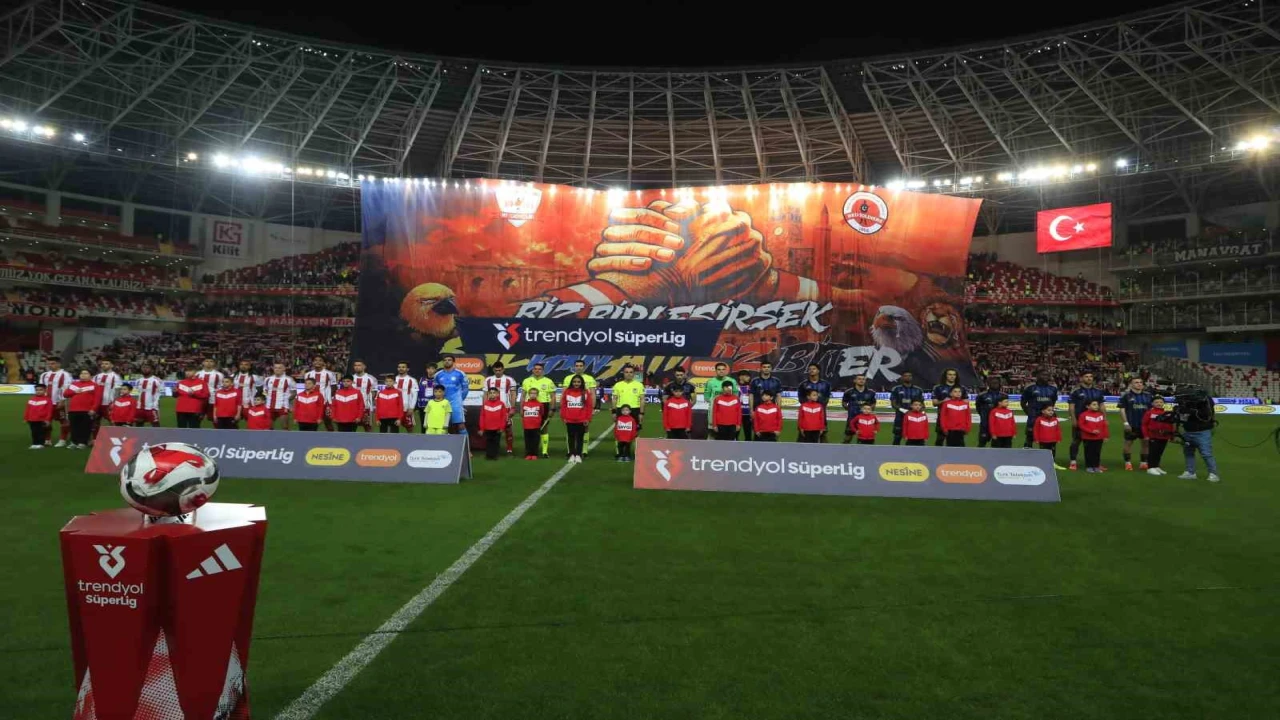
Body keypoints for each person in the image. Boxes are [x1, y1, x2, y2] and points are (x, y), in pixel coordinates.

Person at [1175, 392, 1219, 482]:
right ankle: (1190, 472)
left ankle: (1213, 474)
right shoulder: (1183, 405)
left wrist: (1191, 411)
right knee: (1188, 453)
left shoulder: (1205, 402)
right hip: (1188, 431)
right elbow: (1180, 418)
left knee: (1206, 454)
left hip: (1202, 432)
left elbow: (1205, 415)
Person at [1067, 370, 1106, 470]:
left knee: (1095, 443)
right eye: (1086, 376)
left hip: (1095, 421)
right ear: (1081, 378)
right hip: (1080, 420)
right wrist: (1073, 419)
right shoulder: (1076, 391)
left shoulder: (1098, 391)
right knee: (1076, 441)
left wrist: (1104, 418)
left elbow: (1102, 405)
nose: (1089, 378)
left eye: (1091, 376)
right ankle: (1073, 461)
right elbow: (1071, 406)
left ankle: (1096, 463)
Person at [521, 363, 558, 458]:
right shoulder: (527, 381)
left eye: (539, 369)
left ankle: (544, 451)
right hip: (529, 406)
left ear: (543, 371)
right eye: (535, 369)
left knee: (544, 428)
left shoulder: (548, 381)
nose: (537, 370)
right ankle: (530, 451)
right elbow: (523, 395)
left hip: (543, 405)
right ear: (533, 370)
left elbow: (553, 396)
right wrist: (521, 408)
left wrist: (552, 408)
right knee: (529, 429)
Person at [1117, 377, 1153, 471]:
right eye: (1136, 382)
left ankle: (1143, 463)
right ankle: (1128, 463)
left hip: (1145, 425)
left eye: (1141, 382)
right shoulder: (1126, 396)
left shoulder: (1148, 395)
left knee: (1146, 443)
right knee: (1128, 443)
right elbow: (1122, 410)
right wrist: (1125, 423)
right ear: (1131, 384)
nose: (1139, 384)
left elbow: (1151, 410)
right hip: (1132, 424)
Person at [484, 362, 518, 454]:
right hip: (492, 408)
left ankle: (509, 448)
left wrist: (513, 407)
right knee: (492, 428)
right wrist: (484, 407)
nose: (498, 372)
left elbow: (513, 394)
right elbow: (485, 394)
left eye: (499, 370)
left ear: (503, 369)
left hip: (505, 408)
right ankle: (494, 448)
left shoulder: (509, 380)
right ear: (493, 370)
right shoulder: (488, 380)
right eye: (496, 370)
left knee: (508, 428)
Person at [1020, 370, 1060, 449]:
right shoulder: (1030, 388)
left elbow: (1053, 402)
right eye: (1043, 375)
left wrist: (1050, 412)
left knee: (1049, 440)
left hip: (1048, 419)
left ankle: (1049, 456)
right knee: (1029, 438)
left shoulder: (1053, 389)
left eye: (1047, 375)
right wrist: (1029, 413)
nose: (1046, 377)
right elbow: (1023, 403)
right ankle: (1027, 456)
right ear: (1037, 376)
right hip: (1033, 418)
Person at [38, 356, 73, 447]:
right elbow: (40, 388)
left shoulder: (65, 375)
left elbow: (66, 388)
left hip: (59, 402)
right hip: (46, 403)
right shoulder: (44, 375)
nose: (50, 365)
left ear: (59, 364)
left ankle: (62, 439)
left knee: (64, 421)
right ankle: (47, 439)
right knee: (45, 421)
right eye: (49, 364)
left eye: (53, 363)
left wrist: (62, 400)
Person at [611, 365, 646, 450]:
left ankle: (636, 452)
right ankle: (619, 452)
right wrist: (614, 412)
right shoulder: (618, 385)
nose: (629, 374)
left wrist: (641, 413)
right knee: (620, 431)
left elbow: (642, 400)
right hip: (621, 410)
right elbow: (614, 399)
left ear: (634, 374)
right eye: (626, 372)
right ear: (623, 373)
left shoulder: (639, 385)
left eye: (631, 372)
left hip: (635, 410)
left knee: (636, 431)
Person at [435, 355, 470, 438]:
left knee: (461, 425)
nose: (447, 361)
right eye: (445, 360)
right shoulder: (438, 375)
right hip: (442, 403)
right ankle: (443, 445)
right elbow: (436, 390)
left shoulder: (460, 374)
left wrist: (460, 401)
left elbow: (465, 389)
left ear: (453, 362)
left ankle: (466, 446)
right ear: (443, 362)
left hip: (456, 404)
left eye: (449, 360)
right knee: (441, 425)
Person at [561, 374, 593, 463]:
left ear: (581, 383)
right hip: (569, 419)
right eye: (574, 382)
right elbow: (563, 405)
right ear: (572, 382)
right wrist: (563, 417)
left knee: (580, 438)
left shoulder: (585, 392)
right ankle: (572, 454)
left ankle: (578, 454)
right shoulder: (567, 392)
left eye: (578, 382)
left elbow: (589, 406)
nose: (576, 383)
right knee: (571, 437)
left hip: (581, 420)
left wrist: (588, 418)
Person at [797, 364, 833, 442]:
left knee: (823, 435)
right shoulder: (803, 385)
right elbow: (801, 399)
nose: (811, 370)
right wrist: (810, 403)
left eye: (814, 369)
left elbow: (826, 399)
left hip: (820, 413)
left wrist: (816, 403)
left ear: (818, 371)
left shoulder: (826, 384)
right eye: (810, 369)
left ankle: (826, 449)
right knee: (802, 437)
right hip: (807, 415)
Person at [889, 372, 925, 446]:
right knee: (897, 437)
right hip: (900, 417)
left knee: (915, 437)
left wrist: (921, 412)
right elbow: (893, 404)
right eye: (905, 376)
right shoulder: (896, 389)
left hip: (914, 418)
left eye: (909, 376)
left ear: (912, 377)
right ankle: (894, 452)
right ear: (902, 377)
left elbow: (922, 404)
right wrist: (903, 410)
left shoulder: (918, 390)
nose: (908, 377)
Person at [930, 368, 964, 447]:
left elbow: (966, 402)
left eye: (954, 375)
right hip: (942, 418)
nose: (952, 376)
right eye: (950, 374)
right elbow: (934, 403)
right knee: (940, 440)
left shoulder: (962, 388)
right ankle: (938, 454)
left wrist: (956, 401)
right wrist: (944, 401)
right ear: (945, 376)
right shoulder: (938, 388)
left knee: (958, 441)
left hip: (957, 419)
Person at [1142, 397, 1175, 476]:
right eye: (1156, 402)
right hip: (1153, 436)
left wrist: (1171, 435)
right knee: (1153, 452)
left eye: (1160, 402)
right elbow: (1144, 425)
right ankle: (1150, 468)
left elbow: (1170, 425)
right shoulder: (1149, 413)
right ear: (1152, 404)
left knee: (1159, 452)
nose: (1159, 404)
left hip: (1164, 436)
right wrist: (1146, 435)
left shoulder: (1167, 413)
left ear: (1163, 403)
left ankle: (1156, 466)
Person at [65, 370, 98, 448]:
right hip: (73, 410)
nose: (83, 375)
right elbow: (65, 394)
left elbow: (97, 399)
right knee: (74, 427)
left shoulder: (94, 385)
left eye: (86, 373)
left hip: (87, 410)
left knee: (85, 427)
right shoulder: (74, 384)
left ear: (91, 376)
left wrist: (93, 409)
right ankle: (74, 442)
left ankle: (83, 442)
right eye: (81, 373)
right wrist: (75, 392)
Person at [91, 359, 122, 441]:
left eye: (106, 363)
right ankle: (95, 440)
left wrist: (114, 403)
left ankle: (116, 440)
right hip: (97, 404)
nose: (104, 365)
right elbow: (92, 389)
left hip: (108, 404)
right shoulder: (96, 376)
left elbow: (118, 391)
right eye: (103, 364)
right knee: (94, 422)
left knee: (113, 422)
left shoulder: (115, 377)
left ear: (111, 365)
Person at [304, 356, 338, 431]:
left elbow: (334, 388)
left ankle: (332, 437)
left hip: (325, 403)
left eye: (320, 360)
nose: (317, 362)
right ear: (313, 362)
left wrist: (328, 399)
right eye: (315, 360)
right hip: (312, 403)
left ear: (323, 363)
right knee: (312, 423)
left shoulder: (329, 374)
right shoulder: (308, 374)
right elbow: (307, 388)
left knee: (328, 423)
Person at [841, 375, 877, 444]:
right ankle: (843, 450)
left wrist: (869, 410)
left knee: (865, 439)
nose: (861, 380)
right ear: (855, 380)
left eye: (863, 379)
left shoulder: (871, 392)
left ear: (865, 381)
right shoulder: (849, 392)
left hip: (865, 420)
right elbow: (844, 402)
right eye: (859, 379)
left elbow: (873, 403)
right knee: (847, 438)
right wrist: (849, 409)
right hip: (852, 418)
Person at [1078, 399, 1110, 473]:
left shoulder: (1100, 415)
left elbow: (1104, 426)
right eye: (1094, 404)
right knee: (1089, 453)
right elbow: (1081, 425)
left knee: (1097, 452)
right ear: (1087, 406)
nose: (1096, 406)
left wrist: (1106, 436)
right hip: (1088, 438)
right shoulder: (1083, 415)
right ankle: (1089, 466)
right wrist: (1091, 431)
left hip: (1099, 438)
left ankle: (1096, 466)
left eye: (1097, 405)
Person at [974, 376, 1007, 448]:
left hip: (998, 425)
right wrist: (983, 415)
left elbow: (1005, 409)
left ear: (999, 384)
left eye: (996, 383)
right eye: (993, 383)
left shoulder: (1004, 395)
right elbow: (978, 407)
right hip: (985, 424)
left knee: (997, 446)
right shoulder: (981, 395)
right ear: (989, 384)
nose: (995, 384)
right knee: (981, 444)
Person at [479, 388, 510, 460]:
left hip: (497, 428)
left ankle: (495, 455)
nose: (492, 394)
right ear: (488, 395)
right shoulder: (485, 404)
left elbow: (503, 417)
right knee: (488, 442)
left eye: (494, 393)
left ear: (497, 394)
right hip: (487, 427)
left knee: (496, 442)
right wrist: (482, 428)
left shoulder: (501, 404)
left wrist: (502, 427)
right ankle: (489, 455)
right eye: (490, 393)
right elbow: (482, 416)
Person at [263, 363, 295, 430]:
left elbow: (294, 393)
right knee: (268, 428)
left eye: (279, 368)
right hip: (269, 406)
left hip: (282, 407)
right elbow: (265, 391)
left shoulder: (289, 380)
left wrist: (287, 401)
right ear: (273, 369)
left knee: (285, 428)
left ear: (284, 369)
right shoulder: (267, 379)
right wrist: (266, 398)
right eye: (275, 368)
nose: (277, 369)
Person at [350, 359, 378, 432]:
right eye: (355, 365)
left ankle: (370, 440)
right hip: (353, 407)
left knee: (368, 428)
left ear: (364, 367)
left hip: (367, 407)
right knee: (351, 428)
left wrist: (367, 403)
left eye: (359, 365)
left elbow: (374, 393)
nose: (357, 367)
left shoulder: (371, 378)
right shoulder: (350, 378)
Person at [195, 358, 225, 426]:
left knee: (214, 418)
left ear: (214, 363)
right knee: (197, 418)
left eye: (211, 361)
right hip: (200, 400)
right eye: (206, 361)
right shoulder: (198, 374)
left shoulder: (219, 375)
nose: (209, 363)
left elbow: (222, 386)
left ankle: (217, 431)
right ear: (203, 363)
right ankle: (195, 431)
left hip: (213, 399)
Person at [393, 362, 420, 432]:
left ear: (407, 369)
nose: (401, 368)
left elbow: (415, 395)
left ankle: (411, 439)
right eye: (399, 367)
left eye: (403, 367)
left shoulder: (412, 380)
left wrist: (412, 407)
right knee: (394, 427)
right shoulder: (393, 379)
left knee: (409, 427)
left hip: (406, 408)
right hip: (395, 408)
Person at [24, 384, 53, 449]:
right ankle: (34, 443)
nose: (38, 391)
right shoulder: (31, 399)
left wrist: (47, 419)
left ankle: (40, 444)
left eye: (40, 390)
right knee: (34, 432)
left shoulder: (47, 400)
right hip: (32, 419)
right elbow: (27, 409)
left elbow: (49, 410)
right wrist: (26, 418)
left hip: (41, 419)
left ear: (45, 391)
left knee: (41, 432)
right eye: (37, 390)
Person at [521, 388, 546, 460]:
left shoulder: (540, 404)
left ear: (537, 395)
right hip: (526, 426)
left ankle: (534, 454)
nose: (533, 395)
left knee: (535, 441)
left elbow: (541, 413)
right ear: (529, 394)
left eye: (535, 393)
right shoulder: (525, 404)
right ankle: (528, 454)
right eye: (531, 393)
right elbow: (522, 414)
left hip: (536, 426)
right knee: (527, 440)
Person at [415, 362, 438, 431]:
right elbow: (416, 392)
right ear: (426, 370)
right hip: (422, 406)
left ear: (435, 370)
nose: (430, 370)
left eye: (432, 369)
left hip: (434, 406)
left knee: (433, 425)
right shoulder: (421, 379)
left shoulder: (438, 380)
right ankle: (423, 437)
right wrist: (416, 406)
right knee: (423, 426)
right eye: (429, 368)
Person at [736, 370, 755, 440]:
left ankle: (748, 446)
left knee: (748, 434)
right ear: (740, 377)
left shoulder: (751, 387)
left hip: (747, 413)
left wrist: (752, 411)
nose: (749, 378)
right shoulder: (735, 387)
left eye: (749, 376)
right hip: (737, 414)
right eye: (747, 376)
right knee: (735, 434)